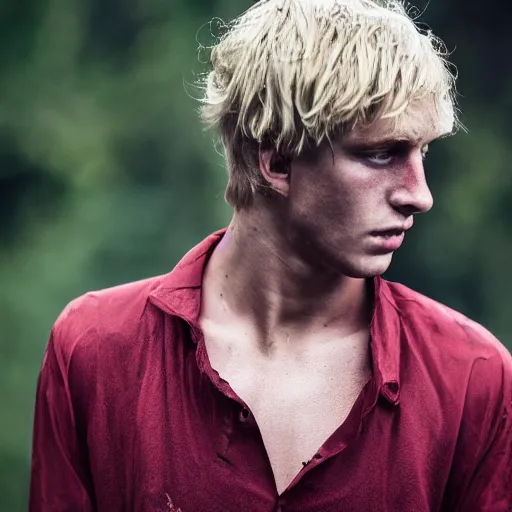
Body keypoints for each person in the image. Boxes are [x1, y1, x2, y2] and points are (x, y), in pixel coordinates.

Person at [29, 0, 512, 510]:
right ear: (277, 161)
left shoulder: (472, 379)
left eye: (423, 152)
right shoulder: (96, 352)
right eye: (381, 153)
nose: (420, 194)